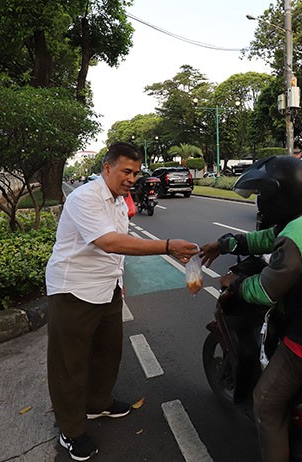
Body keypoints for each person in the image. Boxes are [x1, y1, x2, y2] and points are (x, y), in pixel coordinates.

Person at [199, 155, 302, 462]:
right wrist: (225, 244)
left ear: (282, 197)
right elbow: (266, 239)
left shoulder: (296, 236)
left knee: (265, 402)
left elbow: (263, 291)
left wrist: (234, 283)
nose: (261, 202)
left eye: (265, 196)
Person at [45, 142, 198, 461]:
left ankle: (97, 403)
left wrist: (120, 282)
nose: (132, 178)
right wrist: (166, 246)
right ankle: (71, 430)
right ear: (107, 168)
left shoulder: (118, 201)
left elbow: (119, 248)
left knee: (108, 352)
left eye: (136, 172)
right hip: (73, 290)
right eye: (126, 171)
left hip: (107, 288)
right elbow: (109, 242)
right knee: (69, 365)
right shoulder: (84, 198)